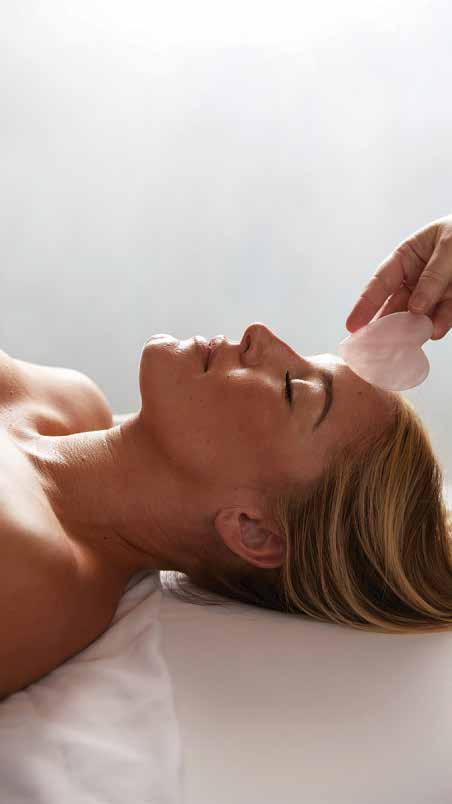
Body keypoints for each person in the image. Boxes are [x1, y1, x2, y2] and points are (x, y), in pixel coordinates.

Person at [2, 214, 452, 699]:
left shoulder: (27, 574)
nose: (260, 335)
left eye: (290, 388)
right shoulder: (67, 402)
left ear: (251, 529)